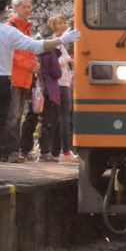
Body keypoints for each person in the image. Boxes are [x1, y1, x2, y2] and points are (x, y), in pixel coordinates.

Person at [0, 0, 78, 188]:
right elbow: (36, 46)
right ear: (5, 9)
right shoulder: (8, 31)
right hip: (2, 82)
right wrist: (61, 40)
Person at [3, 0, 38, 163]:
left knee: (16, 115)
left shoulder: (25, 28)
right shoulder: (11, 27)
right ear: (14, 8)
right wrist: (30, 65)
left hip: (24, 77)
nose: (28, 9)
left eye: (29, 6)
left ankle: (11, 151)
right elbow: (14, 53)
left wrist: (32, 64)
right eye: (25, 6)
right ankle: (10, 151)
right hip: (14, 77)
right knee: (12, 116)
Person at [48, 13, 76, 160]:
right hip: (60, 83)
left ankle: (58, 151)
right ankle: (65, 151)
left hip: (63, 82)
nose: (63, 25)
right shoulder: (53, 41)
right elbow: (53, 61)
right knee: (64, 117)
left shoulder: (59, 43)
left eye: (64, 22)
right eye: (59, 23)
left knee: (61, 118)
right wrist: (69, 59)